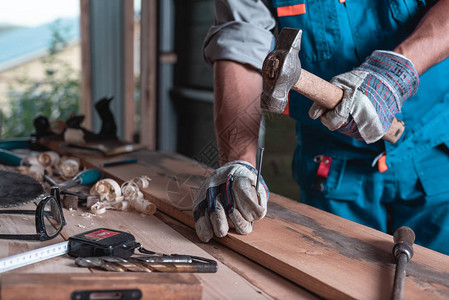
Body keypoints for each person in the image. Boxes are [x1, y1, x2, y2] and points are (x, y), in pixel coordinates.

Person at [192, 0, 449, 255]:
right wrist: (239, 162)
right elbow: (241, 40)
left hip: (433, 151)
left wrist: (396, 72)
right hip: (332, 168)